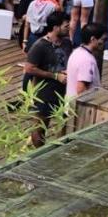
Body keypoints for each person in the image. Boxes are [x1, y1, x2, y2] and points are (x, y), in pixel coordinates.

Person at [24, 9, 71, 145]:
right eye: (66, 26)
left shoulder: (67, 43)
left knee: (64, 123)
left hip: (64, 91)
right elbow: (29, 68)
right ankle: (36, 152)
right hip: (44, 92)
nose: (69, 28)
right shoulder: (40, 46)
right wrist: (55, 76)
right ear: (55, 27)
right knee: (40, 125)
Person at [67, 22, 105, 99]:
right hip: (80, 108)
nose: (104, 43)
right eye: (103, 39)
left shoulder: (76, 51)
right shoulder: (87, 60)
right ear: (93, 39)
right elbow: (81, 90)